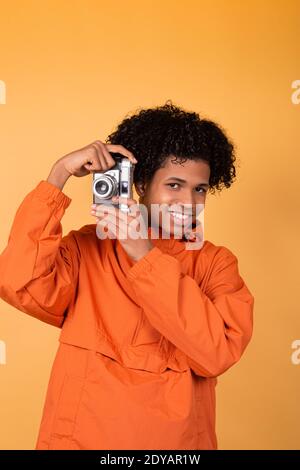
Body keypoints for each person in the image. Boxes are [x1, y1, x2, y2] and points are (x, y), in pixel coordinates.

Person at [0, 100, 254, 450]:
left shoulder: (216, 263)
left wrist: (144, 254)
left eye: (200, 189)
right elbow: (18, 282)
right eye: (175, 185)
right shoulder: (88, 247)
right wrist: (57, 175)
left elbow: (216, 352)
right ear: (142, 184)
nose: (189, 202)